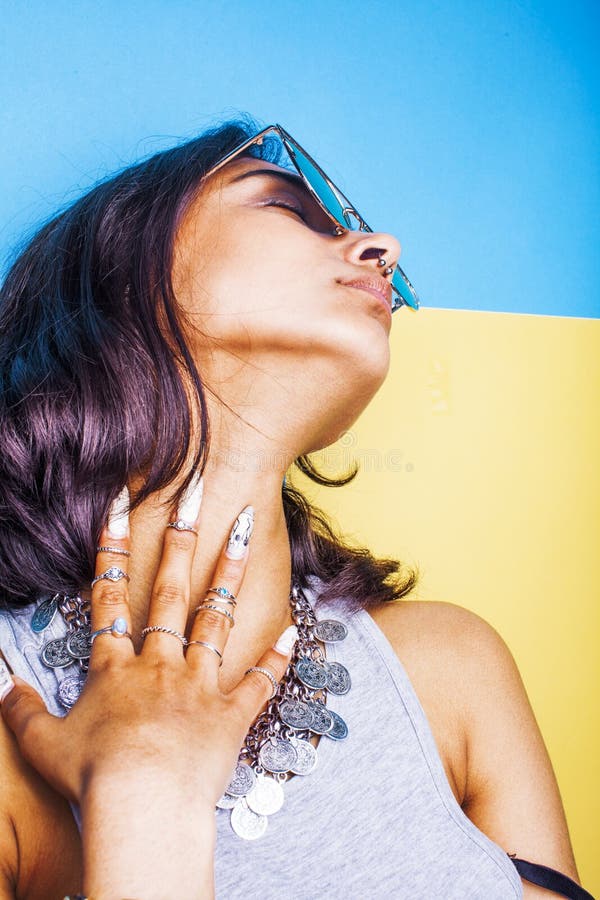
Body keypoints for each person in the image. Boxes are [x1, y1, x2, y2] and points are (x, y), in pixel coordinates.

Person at [0, 118, 591, 899]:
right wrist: (147, 797)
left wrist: (149, 803)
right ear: (123, 272)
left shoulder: (451, 670)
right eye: (285, 207)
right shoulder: (15, 710)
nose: (384, 248)